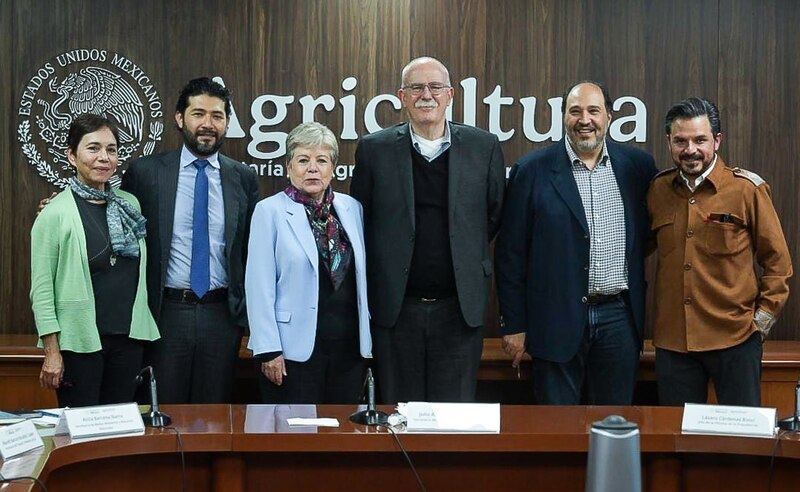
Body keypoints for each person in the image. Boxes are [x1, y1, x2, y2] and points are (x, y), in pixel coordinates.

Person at [350, 56, 505, 403]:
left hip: (458, 310)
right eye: (416, 87)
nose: (426, 95)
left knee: (453, 420)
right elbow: (361, 219)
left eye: (435, 87)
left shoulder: (484, 147)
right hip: (395, 309)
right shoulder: (374, 150)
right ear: (402, 96)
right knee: (398, 415)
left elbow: (493, 216)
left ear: (450, 94)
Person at [495, 81, 657, 405]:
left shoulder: (638, 168)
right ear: (563, 117)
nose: (585, 119)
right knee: (557, 431)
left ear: (609, 117)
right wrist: (514, 325)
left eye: (594, 111)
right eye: (575, 111)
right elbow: (509, 254)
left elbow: (648, 236)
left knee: (613, 426)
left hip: (618, 319)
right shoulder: (532, 170)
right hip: (553, 318)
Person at [121, 77, 260, 403]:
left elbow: (250, 249)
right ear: (180, 118)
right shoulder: (146, 173)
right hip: (165, 313)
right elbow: (117, 225)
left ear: (227, 123)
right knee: (162, 412)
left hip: (221, 316)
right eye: (199, 114)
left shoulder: (242, 177)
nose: (208, 124)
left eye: (217, 116)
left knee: (213, 415)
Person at [648, 97, 792, 407]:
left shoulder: (746, 189)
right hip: (674, 344)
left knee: (742, 444)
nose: (690, 150)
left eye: (700, 140)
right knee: (678, 443)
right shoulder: (657, 190)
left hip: (735, 340)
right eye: (681, 141)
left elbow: (778, 264)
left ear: (717, 140)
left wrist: (760, 324)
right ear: (669, 142)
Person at [31, 114, 159, 407]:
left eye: (111, 150)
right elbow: (41, 291)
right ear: (72, 156)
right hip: (79, 345)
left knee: (120, 434)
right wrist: (52, 351)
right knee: (83, 436)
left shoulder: (130, 205)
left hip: (129, 339)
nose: (104, 158)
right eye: (93, 148)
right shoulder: (55, 213)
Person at [246, 122, 371, 403]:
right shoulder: (270, 211)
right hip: (291, 351)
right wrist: (269, 350)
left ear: (334, 168)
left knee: (343, 436)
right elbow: (259, 286)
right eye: (303, 160)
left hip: (348, 349)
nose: (312, 168)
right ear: (288, 167)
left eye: (321, 160)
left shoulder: (352, 209)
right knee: (296, 437)